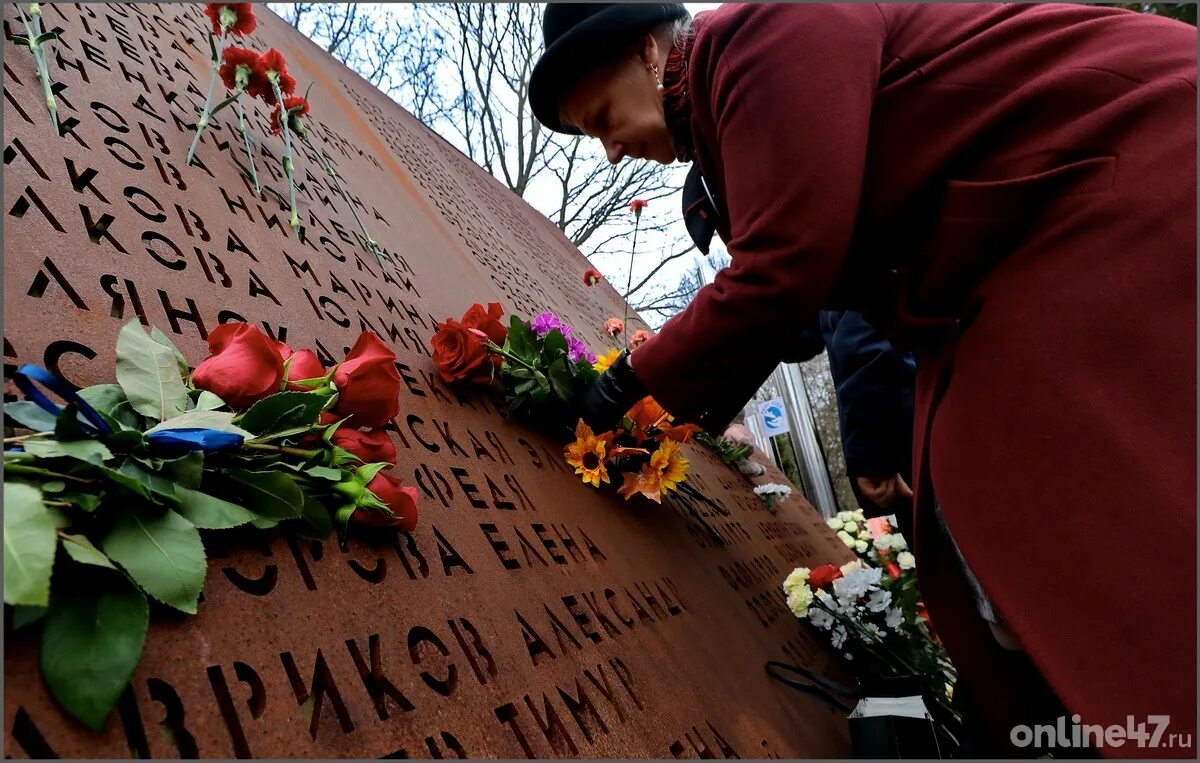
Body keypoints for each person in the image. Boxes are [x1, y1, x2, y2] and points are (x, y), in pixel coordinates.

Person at [528, 2, 1196, 756]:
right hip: (1002, 260)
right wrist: (671, 420)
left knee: (1016, 476)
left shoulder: (761, 35)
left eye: (602, 118)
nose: (609, 152)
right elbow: (786, 309)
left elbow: (784, 269)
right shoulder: (726, 117)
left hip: (1109, 162)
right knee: (968, 496)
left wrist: (621, 386)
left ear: (649, 53)